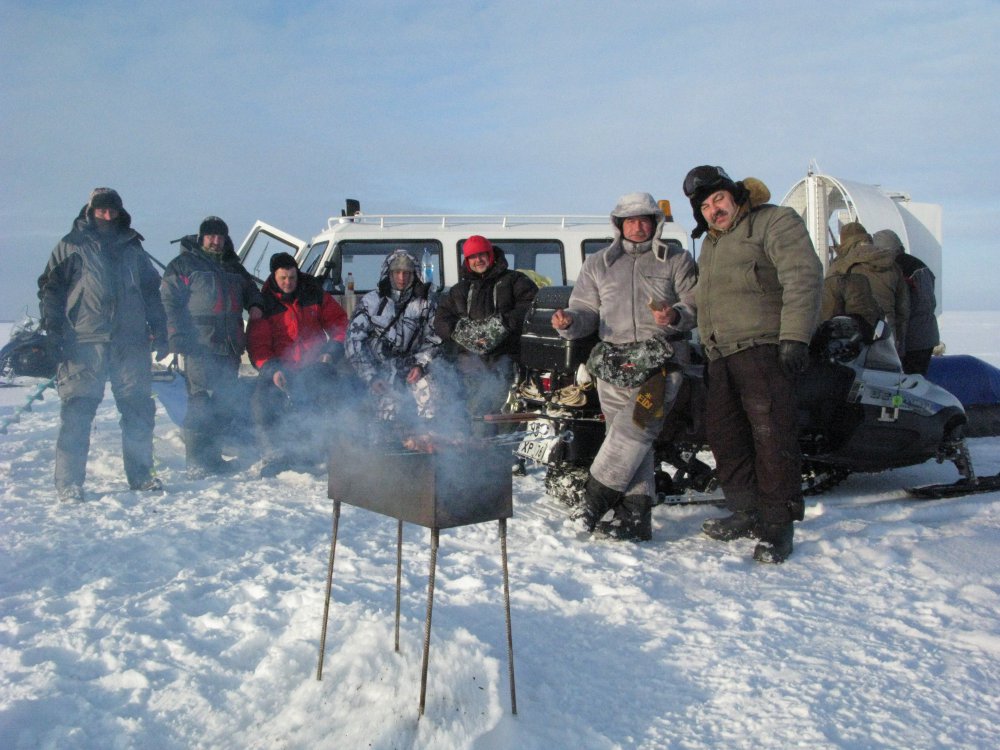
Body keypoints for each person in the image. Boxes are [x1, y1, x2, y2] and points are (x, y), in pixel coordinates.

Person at [683, 166, 823, 563]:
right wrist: (676, 315)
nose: (713, 210)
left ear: (736, 195)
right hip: (720, 355)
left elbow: (803, 275)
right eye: (705, 206)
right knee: (726, 438)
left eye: (718, 199)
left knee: (771, 438)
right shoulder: (711, 244)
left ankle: (778, 525)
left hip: (763, 349)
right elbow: (703, 295)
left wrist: (794, 337)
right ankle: (746, 512)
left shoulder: (774, 221)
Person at [551, 192, 697, 541]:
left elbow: (696, 304)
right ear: (618, 225)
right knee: (627, 440)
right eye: (630, 220)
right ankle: (635, 518)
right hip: (614, 365)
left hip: (663, 363)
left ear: (655, 223)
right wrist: (569, 321)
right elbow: (586, 310)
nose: (638, 226)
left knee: (635, 430)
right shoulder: (598, 263)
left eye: (644, 219)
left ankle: (592, 503)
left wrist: (675, 315)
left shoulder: (677, 260)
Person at [37, 187, 168, 501]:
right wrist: (53, 329)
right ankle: (69, 483)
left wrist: (161, 329)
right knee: (77, 411)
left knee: (138, 409)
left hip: (130, 340)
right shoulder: (71, 245)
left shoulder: (133, 247)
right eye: (102, 210)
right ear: (90, 211)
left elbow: (152, 290)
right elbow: (51, 290)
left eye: (113, 210)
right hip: (84, 340)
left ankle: (142, 476)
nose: (108, 216)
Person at [161, 216, 264, 478]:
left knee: (223, 403)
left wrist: (255, 305)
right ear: (201, 238)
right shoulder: (184, 265)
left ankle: (213, 458)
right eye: (211, 236)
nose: (216, 241)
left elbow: (251, 290)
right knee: (200, 401)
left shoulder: (233, 266)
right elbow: (169, 301)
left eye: (220, 237)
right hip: (199, 345)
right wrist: (176, 334)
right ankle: (196, 461)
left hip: (230, 345)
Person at [246, 252, 349, 476]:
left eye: (292, 277)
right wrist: (272, 370)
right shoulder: (264, 302)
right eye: (283, 278)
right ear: (274, 277)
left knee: (337, 393)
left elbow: (340, 322)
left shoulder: (313, 292)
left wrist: (331, 352)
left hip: (315, 364)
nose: (288, 282)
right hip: (281, 369)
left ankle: (332, 448)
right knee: (261, 401)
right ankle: (274, 452)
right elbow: (258, 345)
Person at [433, 235, 538, 436]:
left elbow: (530, 306)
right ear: (467, 261)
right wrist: (464, 335)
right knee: (475, 418)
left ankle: (507, 453)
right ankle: (478, 452)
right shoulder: (459, 290)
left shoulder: (515, 281)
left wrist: (501, 326)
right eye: (472, 257)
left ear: (491, 255)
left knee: (507, 416)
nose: (478, 260)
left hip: (508, 364)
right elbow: (441, 321)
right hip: (471, 369)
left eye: (482, 255)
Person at [345, 249, 441, 437]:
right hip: (380, 371)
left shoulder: (426, 303)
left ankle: (428, 443)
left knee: (431, 400)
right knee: (382, 422)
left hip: (414, 368)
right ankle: (382, 446)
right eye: (397, 272)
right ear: (388, 273)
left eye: (407, 273)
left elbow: (435, 339)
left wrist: (420, 365)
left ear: (415, 274)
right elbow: (353, 341)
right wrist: (370, 376)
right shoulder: (371, 302)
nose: (402, 278)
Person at [829, 222, 910, 357]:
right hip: (887, 337)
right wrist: (900, 342)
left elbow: (829, 306)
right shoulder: (892, 265)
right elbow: (903, 310)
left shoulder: (839, 267)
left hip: (852, 339)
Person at [872, 228, 940, 375]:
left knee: (905, 381)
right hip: (928, 335)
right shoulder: (921, 266)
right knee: (919, 380)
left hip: (911, 338)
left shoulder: (897, 269)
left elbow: (901, 306)